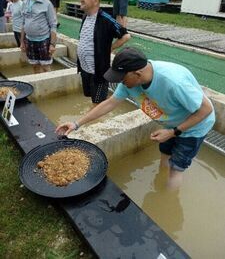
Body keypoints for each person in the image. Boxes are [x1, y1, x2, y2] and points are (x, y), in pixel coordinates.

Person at [56, 47, 215, 189]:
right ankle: (161, 180)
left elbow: (205, 110)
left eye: (122, 78)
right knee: (165, 154)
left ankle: (166, 199)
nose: (120, 82)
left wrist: (174, 132)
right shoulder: (130, 82)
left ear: (137, 73)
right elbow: (110, 104)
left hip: (194, 127)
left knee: (176, 168)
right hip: (170, 125)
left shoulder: (173, 82)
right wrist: (77, 124)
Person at [74, 0, 130, 105]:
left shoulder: (106, 19)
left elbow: (126, 36)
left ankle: (94, 123)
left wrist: (110, 48)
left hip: (99, 73)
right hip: (85, 69)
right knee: (91, 99)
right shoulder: (85, 16)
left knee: (98, 104)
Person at [20, 0, 57, 74]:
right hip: (30, 41)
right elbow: (23, 23)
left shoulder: (47, 3)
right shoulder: (24, 3)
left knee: (46, 67)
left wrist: (52, 44)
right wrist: (22, 42)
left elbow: (53, 25)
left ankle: (49, 88)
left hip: (43, 40)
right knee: (35, 66)